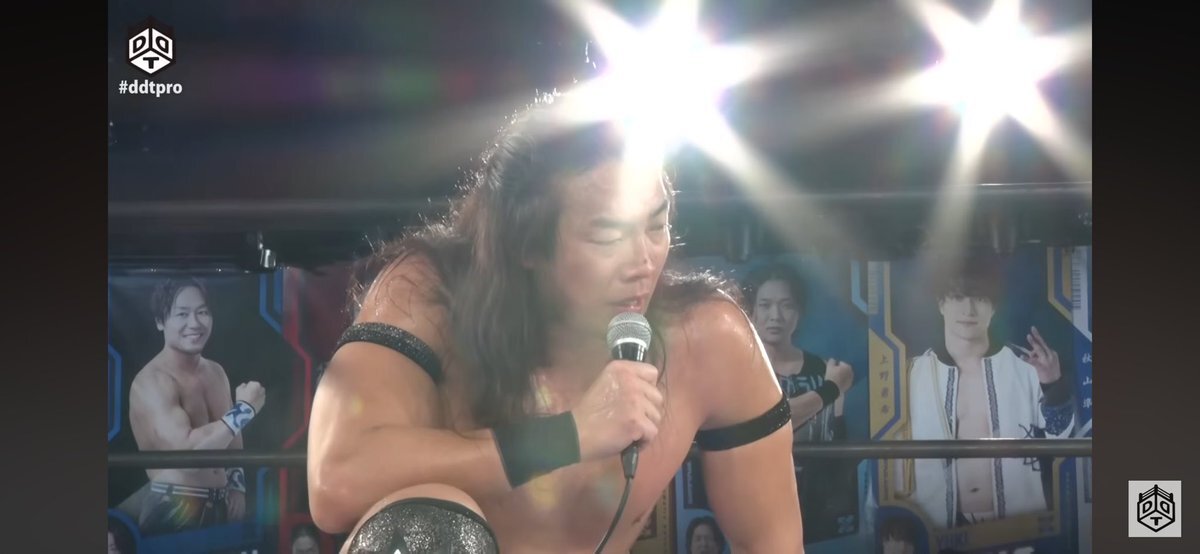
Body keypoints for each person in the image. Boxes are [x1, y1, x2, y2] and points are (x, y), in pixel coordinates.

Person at [307, 93, 803, 553]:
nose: (643, 261)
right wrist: (568, 437)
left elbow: (775, 543)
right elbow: (336, 482)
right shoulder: (427, 294)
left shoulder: (708, 338)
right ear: (526, 243)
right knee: (432, 522)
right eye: (607, 236)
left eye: (656, 225)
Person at [906, 255, 1074, 528]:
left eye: (980, 298)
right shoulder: (913, 374)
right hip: (938, 529)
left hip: (1018, 524)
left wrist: (1052, 385)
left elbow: (1063, 437)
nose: (969, 310)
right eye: (958, 297)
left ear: (993, 307)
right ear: (941, 304)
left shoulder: (1026, 367)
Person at [128, 277, 268, 535]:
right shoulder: (152, 382)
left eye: (202, 312)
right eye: (182, 314)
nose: (194, 323)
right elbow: (187, 456)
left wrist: (237, 486)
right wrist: (244, 410)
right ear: (160, 322)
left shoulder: (216, 372)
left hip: (221, 503)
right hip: (174, 507)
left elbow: (233, 440)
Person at [742, 262, 855, 541]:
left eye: (786, 306)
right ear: (751, 312)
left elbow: (838, 442)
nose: (775, 316)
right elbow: (771, 422)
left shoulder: (825, 369)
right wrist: (830, 390)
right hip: (754, 508)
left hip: (817, 510)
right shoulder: (740, 369)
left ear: (799, 313)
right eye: (765, 305)